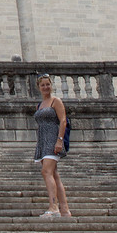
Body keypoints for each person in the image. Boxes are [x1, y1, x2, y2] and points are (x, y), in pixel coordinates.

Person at [33, 74, 71, 218]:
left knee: (46, 172)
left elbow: (63, 121)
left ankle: (53, 207)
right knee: (54, 174)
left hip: (53, 139)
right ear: (39, 87)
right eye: (42, 85)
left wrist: (60, 140)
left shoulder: (56, 101)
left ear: (51, 85)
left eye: (47, 84)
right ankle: (65, 210)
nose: (45, 87)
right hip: (43, 140)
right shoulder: (40, 105)